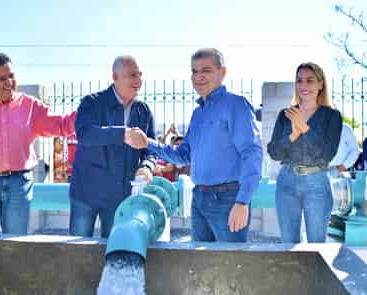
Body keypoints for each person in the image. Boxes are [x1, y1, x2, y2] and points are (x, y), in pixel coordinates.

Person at [125, 48, 263, 242]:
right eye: (194, 71)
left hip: (228, 200)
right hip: (199, 199)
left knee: (231, 267)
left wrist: (242, 201)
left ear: (222, 72)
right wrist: (147, 142)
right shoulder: (198, 113)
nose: (199, 77)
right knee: (200, 267)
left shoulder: (236, 105)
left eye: (206, 70)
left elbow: (252, 153)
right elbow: (183, 155)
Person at [0, 53, 76, 235]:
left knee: (16, 246)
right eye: (2, 78)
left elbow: (61, 124)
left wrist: (90, 111)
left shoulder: (30, 106)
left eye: (11, 76)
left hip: (18, 185)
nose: (9, 82)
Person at [69, 55, 156, 238]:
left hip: (120, 198)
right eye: (132, 75)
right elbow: (85, 134)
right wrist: (123, 134)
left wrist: (147, 167)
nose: (138, 81)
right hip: (86, 194)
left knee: (113, 251)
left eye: (139, 75)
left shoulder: (144, 111)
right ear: (115, 77)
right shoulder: (91, 103)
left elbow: (151, 149)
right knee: (75, 251)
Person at [267, 62, 342, 243]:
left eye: (310, 80)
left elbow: (325, 155)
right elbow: (274, 153)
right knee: (288, 243)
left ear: (320, 84)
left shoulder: (331, 116)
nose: (304, 86)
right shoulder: (285, 115)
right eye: (299, 81)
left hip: (317, 183)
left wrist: (304, 127)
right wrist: (293, 135)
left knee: (317, 244)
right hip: (286, 182)